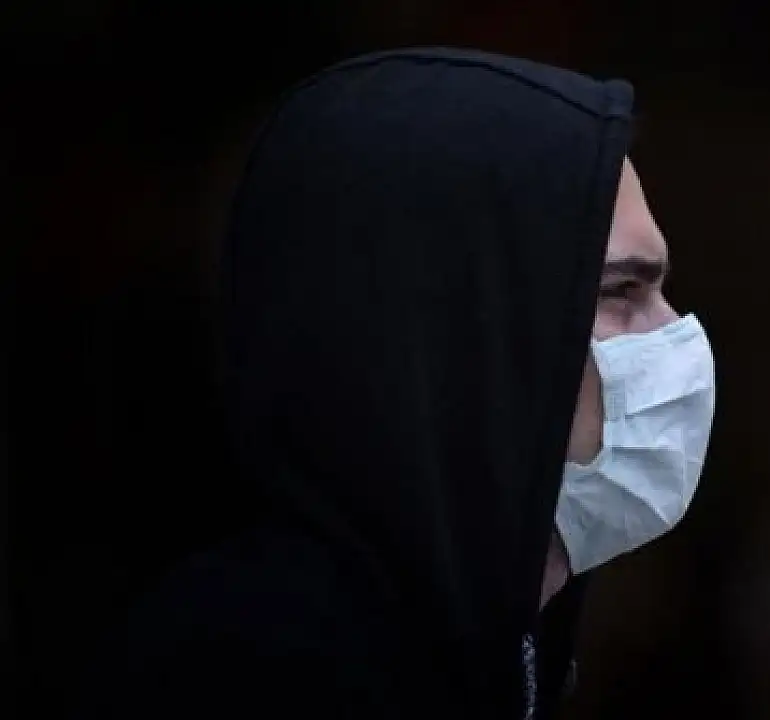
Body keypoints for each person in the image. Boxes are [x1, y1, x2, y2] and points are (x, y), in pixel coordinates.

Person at [70, 48, 715, 719]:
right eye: (622, 290)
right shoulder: (250, 674)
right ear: (453, 332)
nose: (675, 333)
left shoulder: (492, 646)